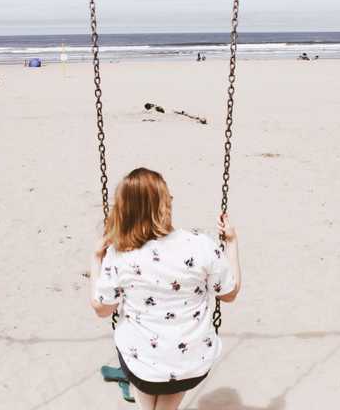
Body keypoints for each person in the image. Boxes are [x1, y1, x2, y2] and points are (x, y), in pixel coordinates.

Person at [89, 168, 242, 410]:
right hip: (191, 364)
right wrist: (231, 243)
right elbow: (230, 292)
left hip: (141, 367)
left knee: (142, 369)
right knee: (170, 385)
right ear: (165, 204)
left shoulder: (119, 255)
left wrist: (96, 258)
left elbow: (102, 308)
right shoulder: (201, 245)